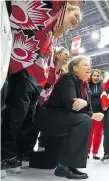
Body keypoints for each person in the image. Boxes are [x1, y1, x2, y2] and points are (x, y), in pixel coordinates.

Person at [1, 1, 81, 171]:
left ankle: (18, 153)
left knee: (28, 119)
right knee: (16, 114)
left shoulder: (54, 34)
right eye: (76, 15)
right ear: (66, 9)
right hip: (23, 69)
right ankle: (5, 154)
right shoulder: (48, 15)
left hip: (37, 80)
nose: (78, 20)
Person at [35, 55, 104, 179]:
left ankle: (66, 164)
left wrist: (85, 104)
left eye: (89, 65)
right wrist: (89, 108)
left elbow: (85, 108)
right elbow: (71, 105)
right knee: (84, 120)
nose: (89, 67)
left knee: (48, 163)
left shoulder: (85, 87)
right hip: (51, 119)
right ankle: (64, 166)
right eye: (85, 65)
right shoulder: (68, 78)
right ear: (75, 68)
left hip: (62, 119)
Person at [88, 69, 104, 159]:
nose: (96, 77)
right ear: (91, 76)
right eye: (94, 75)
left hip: (100, 112)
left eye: (98, 76)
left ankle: (95, 153)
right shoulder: (87, 84)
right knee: (89, 133)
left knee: (98, 133)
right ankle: (87, 152)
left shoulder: (102, 85)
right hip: (90, 111)